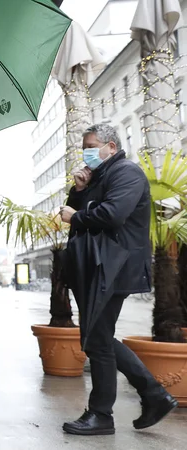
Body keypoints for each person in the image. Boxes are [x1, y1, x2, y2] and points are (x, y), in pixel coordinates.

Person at [59, 124, 177, 435]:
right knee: (97, 335)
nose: (86, 152)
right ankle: (153, 395)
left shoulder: (126, 172)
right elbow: (78, 217)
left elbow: (111, 215)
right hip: (100, 266)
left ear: (111, 146)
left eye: (91, 145)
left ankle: (103, 414)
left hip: (116, 266)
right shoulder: (99, 177)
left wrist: (78, 215)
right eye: (84, 146)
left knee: (97, 337)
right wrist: (81, 190)